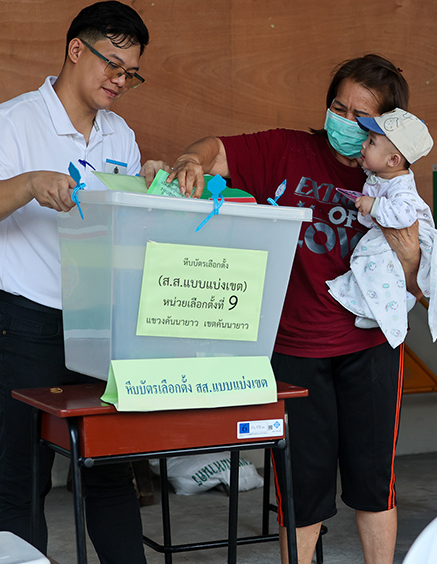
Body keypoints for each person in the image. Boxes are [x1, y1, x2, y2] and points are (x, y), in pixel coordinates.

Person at [168, 54, 421, 564]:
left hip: (369, 349)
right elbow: (212, 150)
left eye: (359, 116)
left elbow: (417, 281)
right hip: (294, 352)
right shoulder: (285, 149)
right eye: (337, 106)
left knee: (375, 487)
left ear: (385, 129)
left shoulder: (396, 184)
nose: (343, 121)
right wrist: (191, 162)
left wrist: (410, 251)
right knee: (300, 495)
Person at [0, 2, 156, 561]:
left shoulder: (120, 135)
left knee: (109, 472)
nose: (121, 80)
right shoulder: (13, 121)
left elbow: (127, 233)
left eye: (130, 73)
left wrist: (148, 191)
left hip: (100, 325)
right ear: (77, 50)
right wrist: (28, 183)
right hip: (26, 326)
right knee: (26, 478)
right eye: (113, 65)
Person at [326, 108, 437, 349]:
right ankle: (372, 306)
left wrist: (374, 205)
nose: (363, 144)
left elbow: (404, 215)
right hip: (385, 234)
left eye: (371, 142)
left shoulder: (401, 185)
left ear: (393, 160)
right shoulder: (383, 173)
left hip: (406, 239)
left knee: (378, 267)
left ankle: (382, 309)